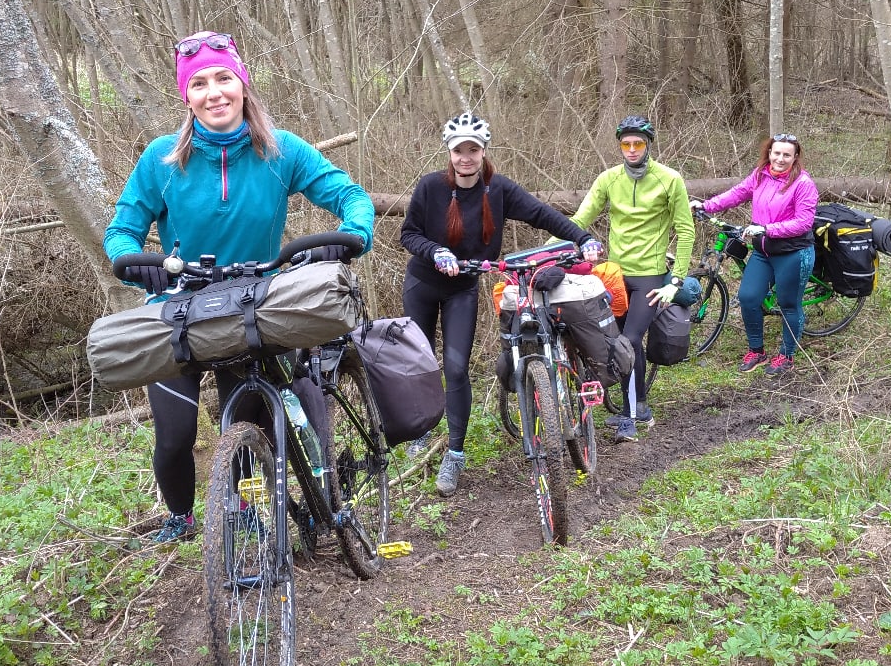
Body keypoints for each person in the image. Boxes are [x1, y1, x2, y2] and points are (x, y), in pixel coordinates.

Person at [103, 31, 375, 542]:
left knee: (259, 417)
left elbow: (349, 195)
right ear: (187, 96)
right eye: (199, 83)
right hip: (179, 308)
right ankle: (181, 516)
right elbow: (121, 230)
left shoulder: (280, 149)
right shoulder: (163, 159)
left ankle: (314, 497)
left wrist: (351, 235)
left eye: (224, 78)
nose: (214, 92)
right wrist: (140, 262)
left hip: (257, 303)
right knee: (175, 434)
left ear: (243, 84)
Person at [400, 112, 602, 497]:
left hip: (463, 289)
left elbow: (543, 215)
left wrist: (583, 237)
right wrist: (436, 251)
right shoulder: (430, 188)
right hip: (423, 285)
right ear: (450, 152)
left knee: (456, 369)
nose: (466, 158)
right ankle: (421, 432)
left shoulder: (499, 189)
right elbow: (408, 233)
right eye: (459, 150)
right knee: (421, 365)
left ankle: (455, 455)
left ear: (482, 153)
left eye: (473, 150)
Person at [568, 116, 695, 444]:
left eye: (638, 143)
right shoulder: (609, 179)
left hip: (651, 279)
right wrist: (547, 248)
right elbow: (581, 218)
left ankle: (630, 416)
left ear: (648, 144)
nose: (632, 149)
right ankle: (639, 407)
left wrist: (676, 280)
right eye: (626, 144)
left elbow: (685, 230)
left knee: (629, 341)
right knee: (618, 341)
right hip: (615, 276)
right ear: (620, 146)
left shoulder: (669, 179)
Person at [698, 133, 818, 378]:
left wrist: (767, 229)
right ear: (769, 153)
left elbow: (804, 222)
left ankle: (786, 355)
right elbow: (736, 194)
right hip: (763, 252)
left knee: (788, 305)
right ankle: (757, 351)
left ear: (795, 157)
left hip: (793, 252)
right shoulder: (760, 175)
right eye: (777, 153)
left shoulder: (803, 184)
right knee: (749, 298)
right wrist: (706, 206)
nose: (781, 159)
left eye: (787, 155)